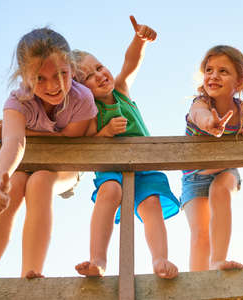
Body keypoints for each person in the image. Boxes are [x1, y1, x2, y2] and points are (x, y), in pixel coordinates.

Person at [0, 28, 98, 278]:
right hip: (23, 165)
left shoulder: (81, 98)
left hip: (66, 166)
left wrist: (25, 131)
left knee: (40, 180)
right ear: (24, 76)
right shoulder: (18, 102)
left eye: (60, 74)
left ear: (72, 69)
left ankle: (31, 274)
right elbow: (13, 142)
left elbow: (69, 140)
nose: (53, 86)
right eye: (39, 78)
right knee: (15, 184)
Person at [71, 16, 180, 279]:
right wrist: (105, 132)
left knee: (151, 203)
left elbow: (130, 63)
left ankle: (160, 259)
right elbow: (86, 146)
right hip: (110, 168)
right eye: (88, 77)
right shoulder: (88, 111)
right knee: (110, 190)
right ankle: (98, 259)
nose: (99, 75)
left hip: (144, 165)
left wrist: (139, 40)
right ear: (78, 90)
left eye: (99, 67)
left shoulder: (120, 90)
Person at [181, 45, 243, 271]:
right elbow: (199, 115)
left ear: (240, 81)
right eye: (209, 70)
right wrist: (210, 124)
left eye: (223, 71)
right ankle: (197, 287)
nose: (213, 76)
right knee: (200, 235)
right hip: (194, 177)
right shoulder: (201, 103)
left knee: (220, 190)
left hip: (225, 170)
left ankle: (218, 260)